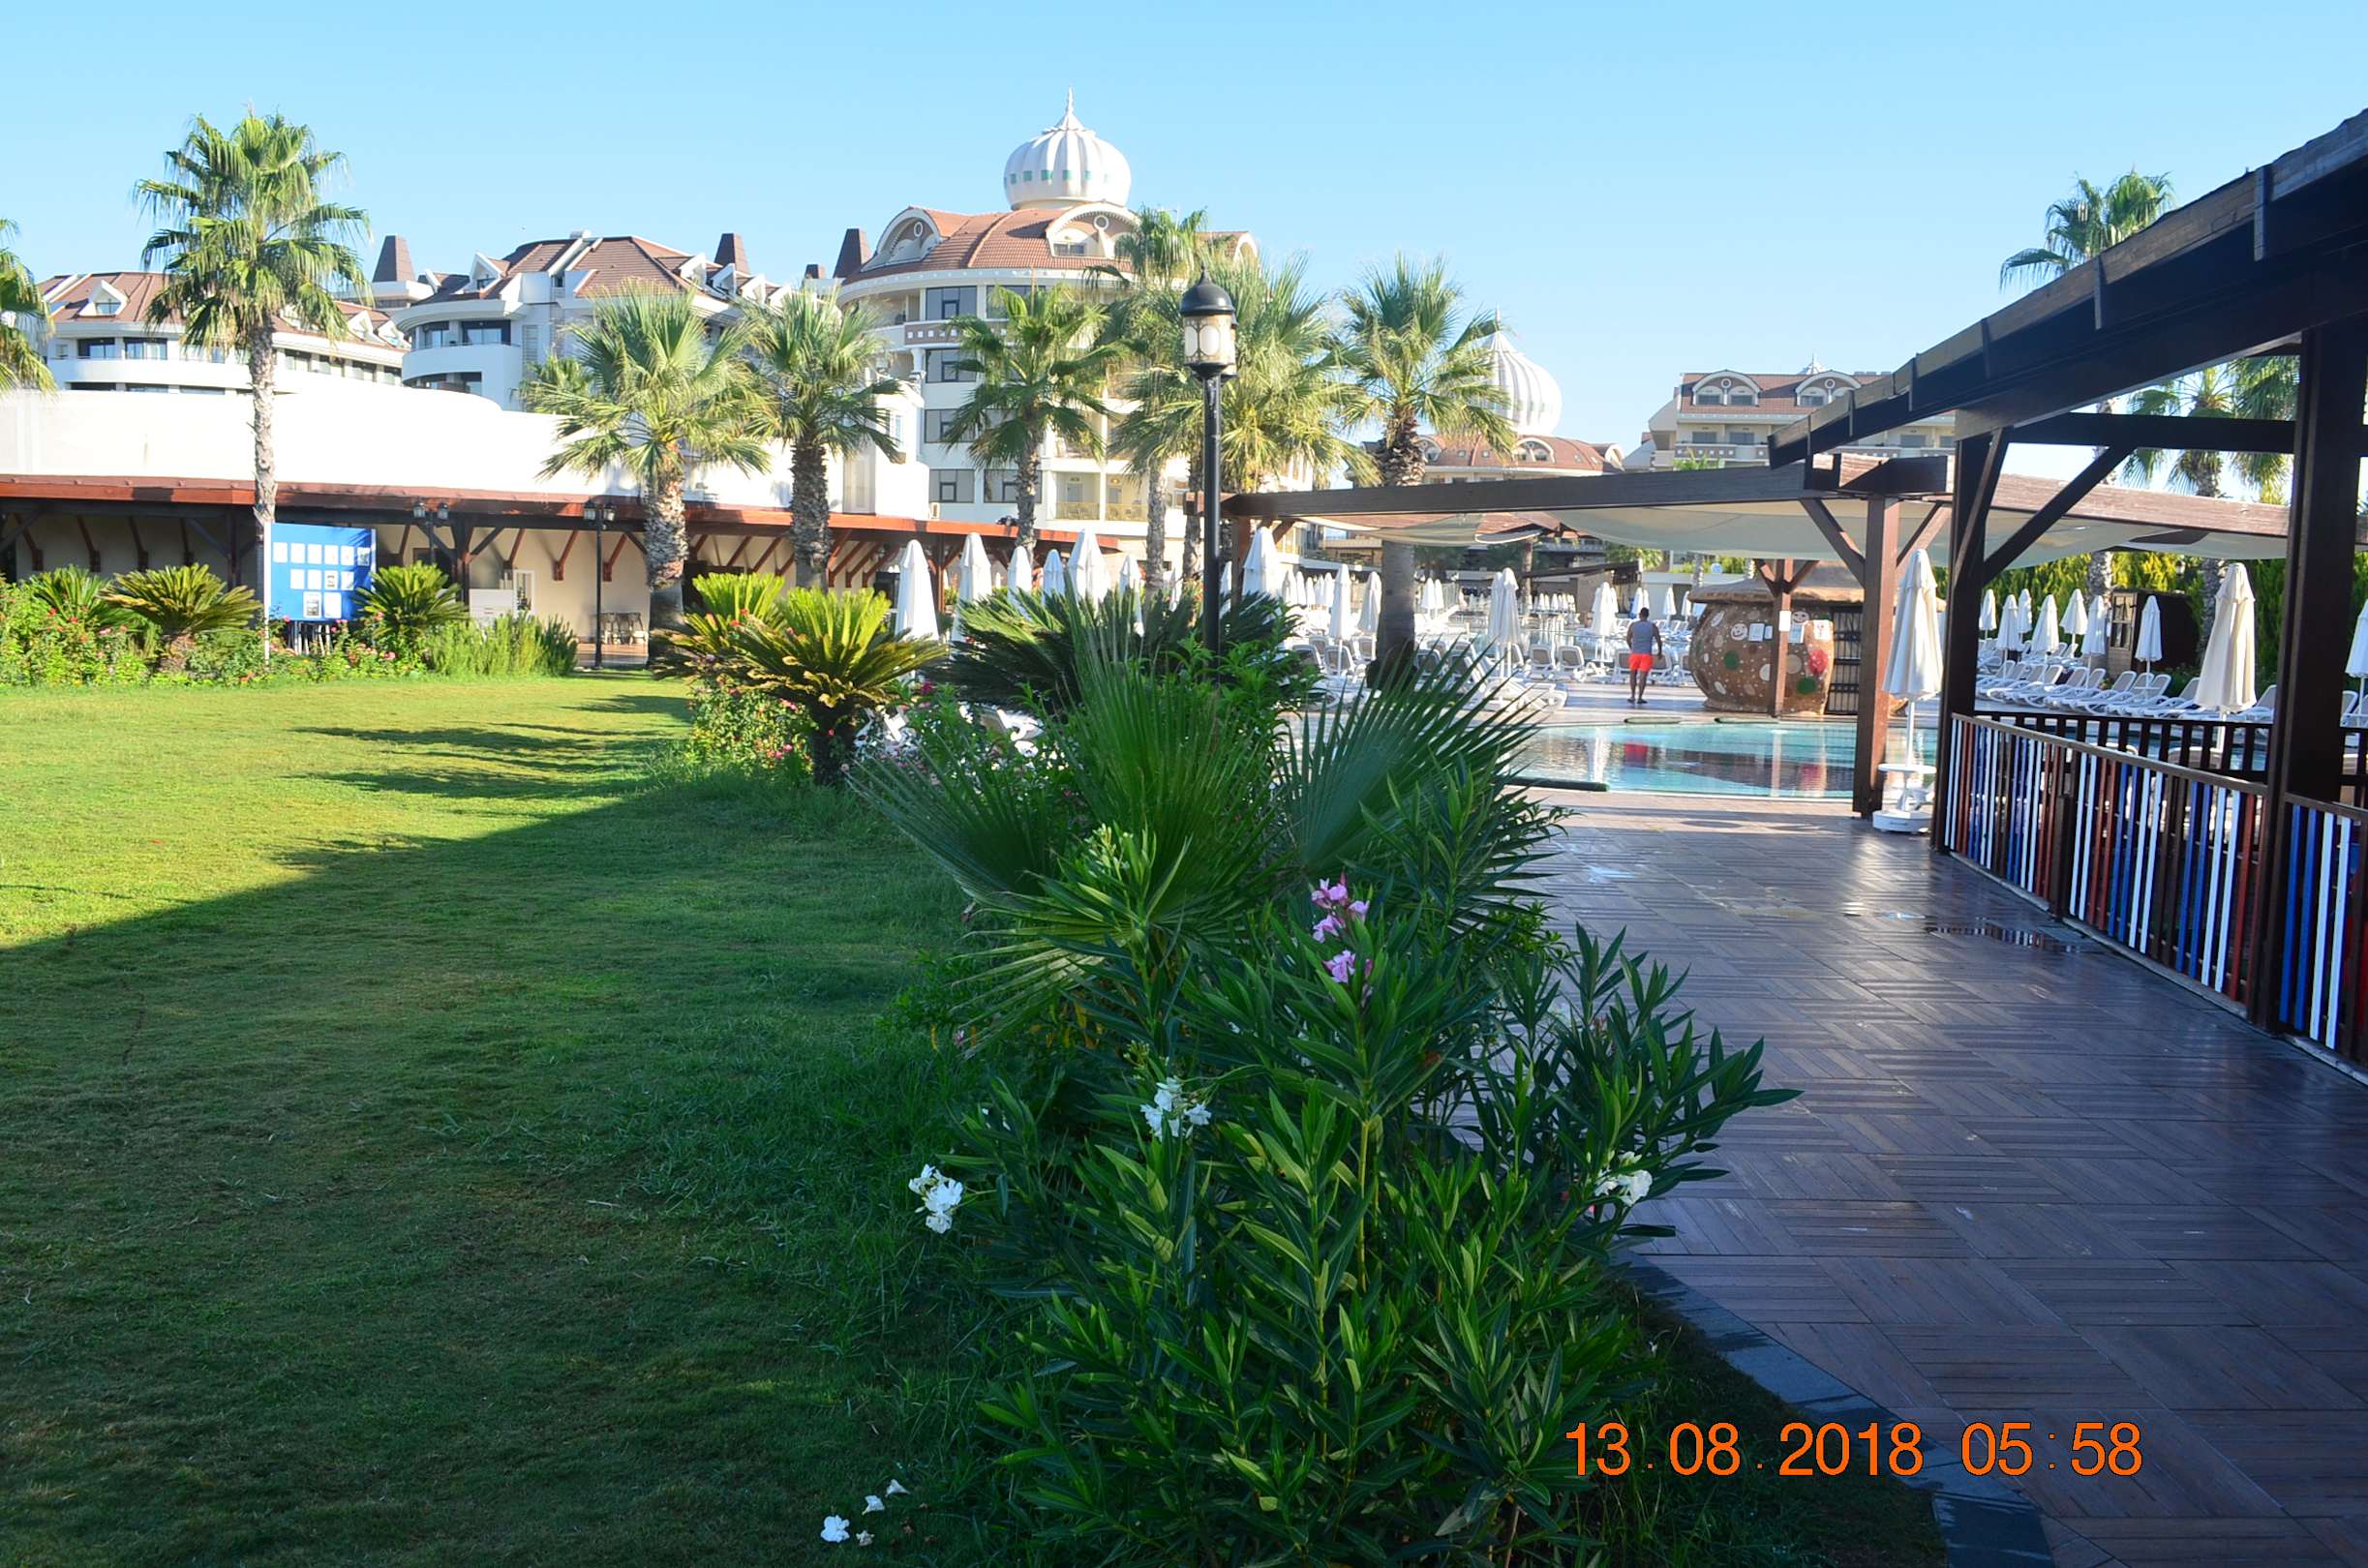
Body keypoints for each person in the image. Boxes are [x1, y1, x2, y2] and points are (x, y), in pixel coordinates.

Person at [1624, 603, 1662, 707]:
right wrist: (1659, 652)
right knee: (1643, 676)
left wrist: (1632, 647)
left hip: (1635, 653)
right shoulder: (1652, 626)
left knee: (1633, 674)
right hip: (1646, 654)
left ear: (1640, 615)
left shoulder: (1633, 625)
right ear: (1648, 615)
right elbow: (1659, 640)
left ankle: (1632, 695)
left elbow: (1628, 639)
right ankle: (1640, 697)